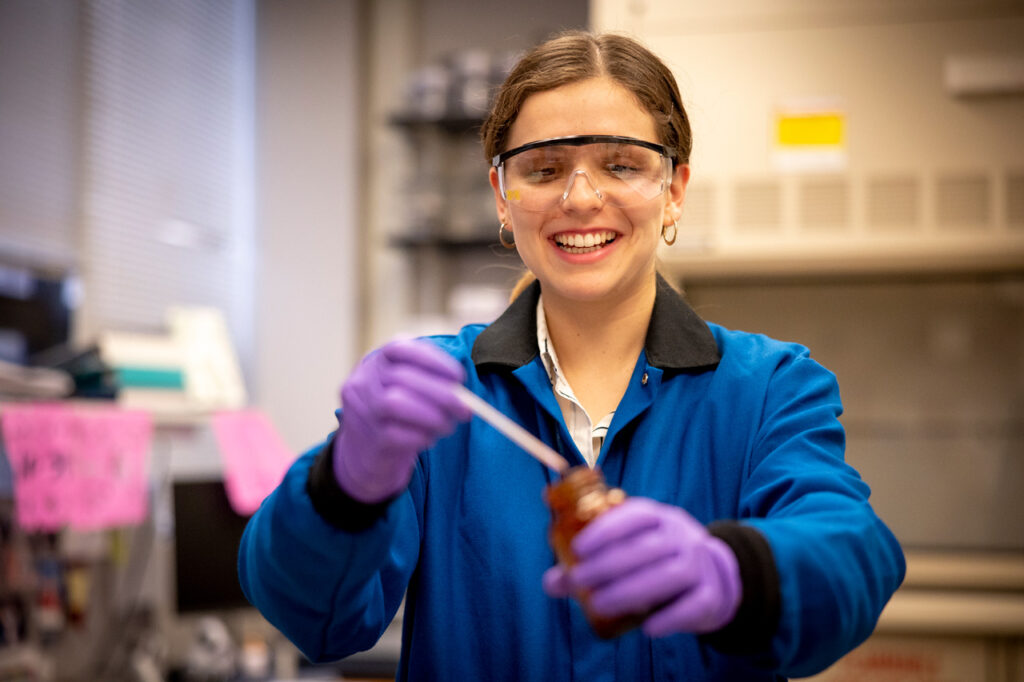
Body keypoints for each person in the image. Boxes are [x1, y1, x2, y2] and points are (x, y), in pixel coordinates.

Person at [238, 30, 905, 681]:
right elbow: (316, 620)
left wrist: (736, 573)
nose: (581, 197)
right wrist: (341, 488)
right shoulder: (437, 398)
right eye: (544, 169)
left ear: (674, 188)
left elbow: (855, 554)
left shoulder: (769, 389)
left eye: (622, 164)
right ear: (504, 196)